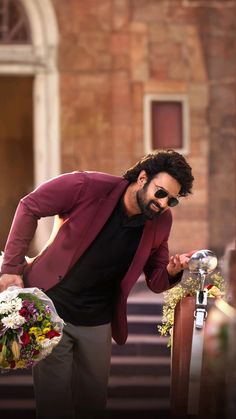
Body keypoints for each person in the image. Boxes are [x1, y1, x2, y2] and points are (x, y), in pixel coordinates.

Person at [0, 149, 194, 419]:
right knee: (54, 404)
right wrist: (11, 268)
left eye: (171, 201)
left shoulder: (161, 222)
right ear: (142, 178)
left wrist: (173, 271)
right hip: (52, 310)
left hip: (98, 321)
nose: (162, 204)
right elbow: (30, 205)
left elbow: (157, 280)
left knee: (93, 405)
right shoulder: (86, 186)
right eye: (161, 193)